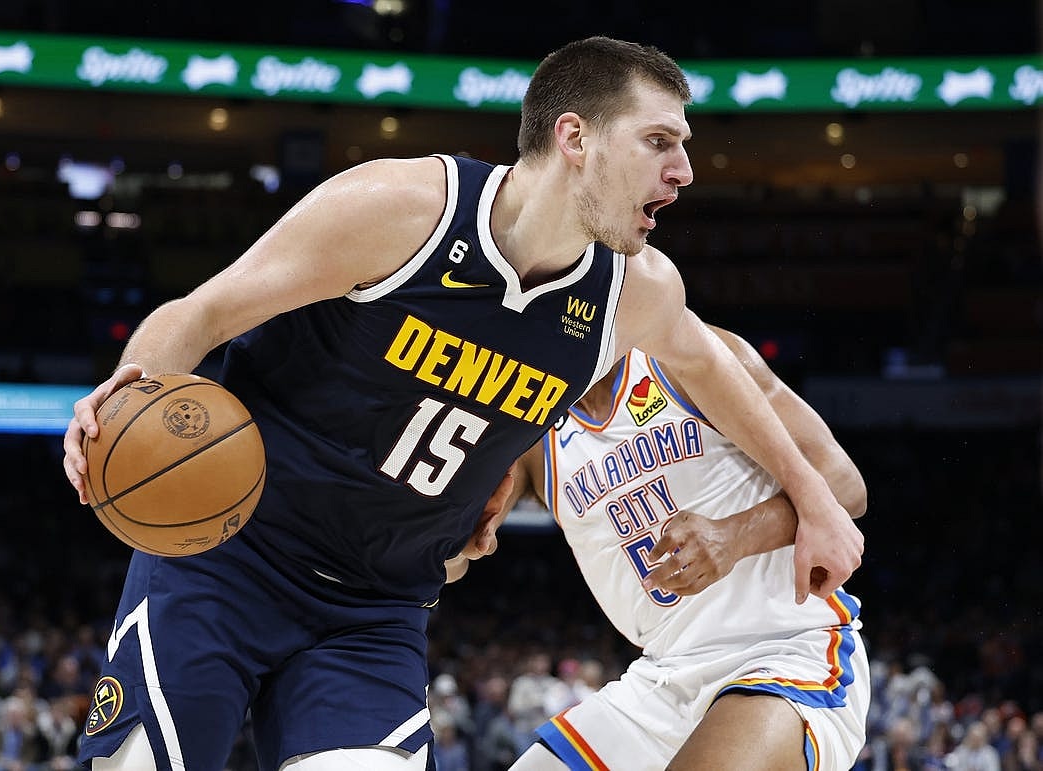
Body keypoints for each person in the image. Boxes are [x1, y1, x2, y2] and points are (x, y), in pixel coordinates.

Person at [61, 36, 863, 771]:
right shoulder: (402, 209)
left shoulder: (637, 292)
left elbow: (714, 364)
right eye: (660, 142)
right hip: (231, 558)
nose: (684, 170)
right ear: (574, 138)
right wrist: (130, 394)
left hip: (371, 610)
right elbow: (201, 314)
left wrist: (810, 494)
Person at [451, 328, 871, 770]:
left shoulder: (685, 358)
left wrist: (735, 535)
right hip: (660, 680)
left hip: (786, 653)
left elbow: (844, 483)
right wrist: (451, 540)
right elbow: (454, 556)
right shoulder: (535, 428)